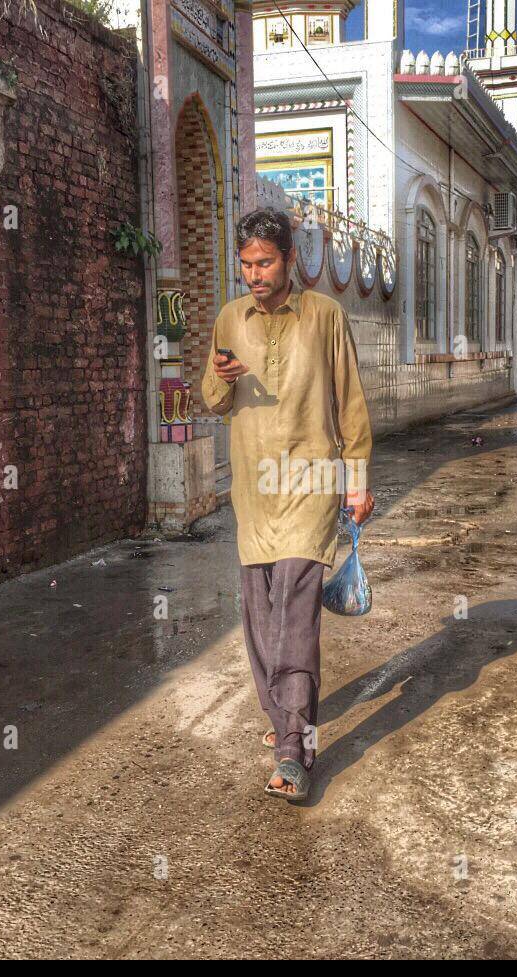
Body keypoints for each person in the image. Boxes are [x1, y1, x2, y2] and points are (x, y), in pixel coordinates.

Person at [200, 208, 374, 803]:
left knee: (294, 616)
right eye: (246, 264)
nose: (255, 274)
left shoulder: (324, 315)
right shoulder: (230, 318)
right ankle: (285, 720)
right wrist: (222, 377)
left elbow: (350, 402)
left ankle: (293, 750)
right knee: (259, 617)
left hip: (311, 482)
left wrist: (356, 479)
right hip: (254, 490)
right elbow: (213, 401)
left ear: (291, 259)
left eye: (266, 262)